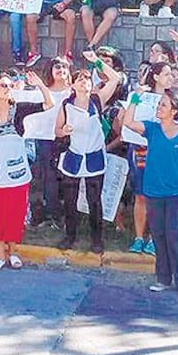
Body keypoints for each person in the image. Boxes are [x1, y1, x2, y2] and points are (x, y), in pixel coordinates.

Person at [124, 90, 178, 296]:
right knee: (158, 235)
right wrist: (135, 99)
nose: (159, 107)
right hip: (153, 191)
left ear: (174, 111)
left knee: (175, 236)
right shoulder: (152, 129)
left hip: (177, 193)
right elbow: (128, 122)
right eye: (159, 104)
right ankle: (163, 278)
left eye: (164, 105)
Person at [0, 71, 54, 270]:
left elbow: (48, 104)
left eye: (10, 86)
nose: (7, 89)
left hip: (16, 170)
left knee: (15, 212)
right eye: (3, 85)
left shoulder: (19, 110)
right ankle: (1, 255)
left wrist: (40, 85)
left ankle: (13, 252)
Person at [54, 55, 122, 252]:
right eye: (80, 79)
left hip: (94, 157)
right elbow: (56, 130)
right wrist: (63, 130)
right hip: (73, 157)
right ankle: (70, 236)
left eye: (87, 79)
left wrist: (97, 62)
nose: (85, 82)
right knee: (70, 200)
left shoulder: (97, 100)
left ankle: (97, 239)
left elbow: (115, 79)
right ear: (73, 85)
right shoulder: (66, 105)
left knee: (94, 201)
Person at [33, 57, 73, 225]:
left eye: (64, 67)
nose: (60, 70)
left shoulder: (73, 92)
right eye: (57, 66)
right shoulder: (41, 91)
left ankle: (70, 214)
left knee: (67, 177)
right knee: (49, 177)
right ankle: (52, 214)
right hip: (46, 140)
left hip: (68, 140)